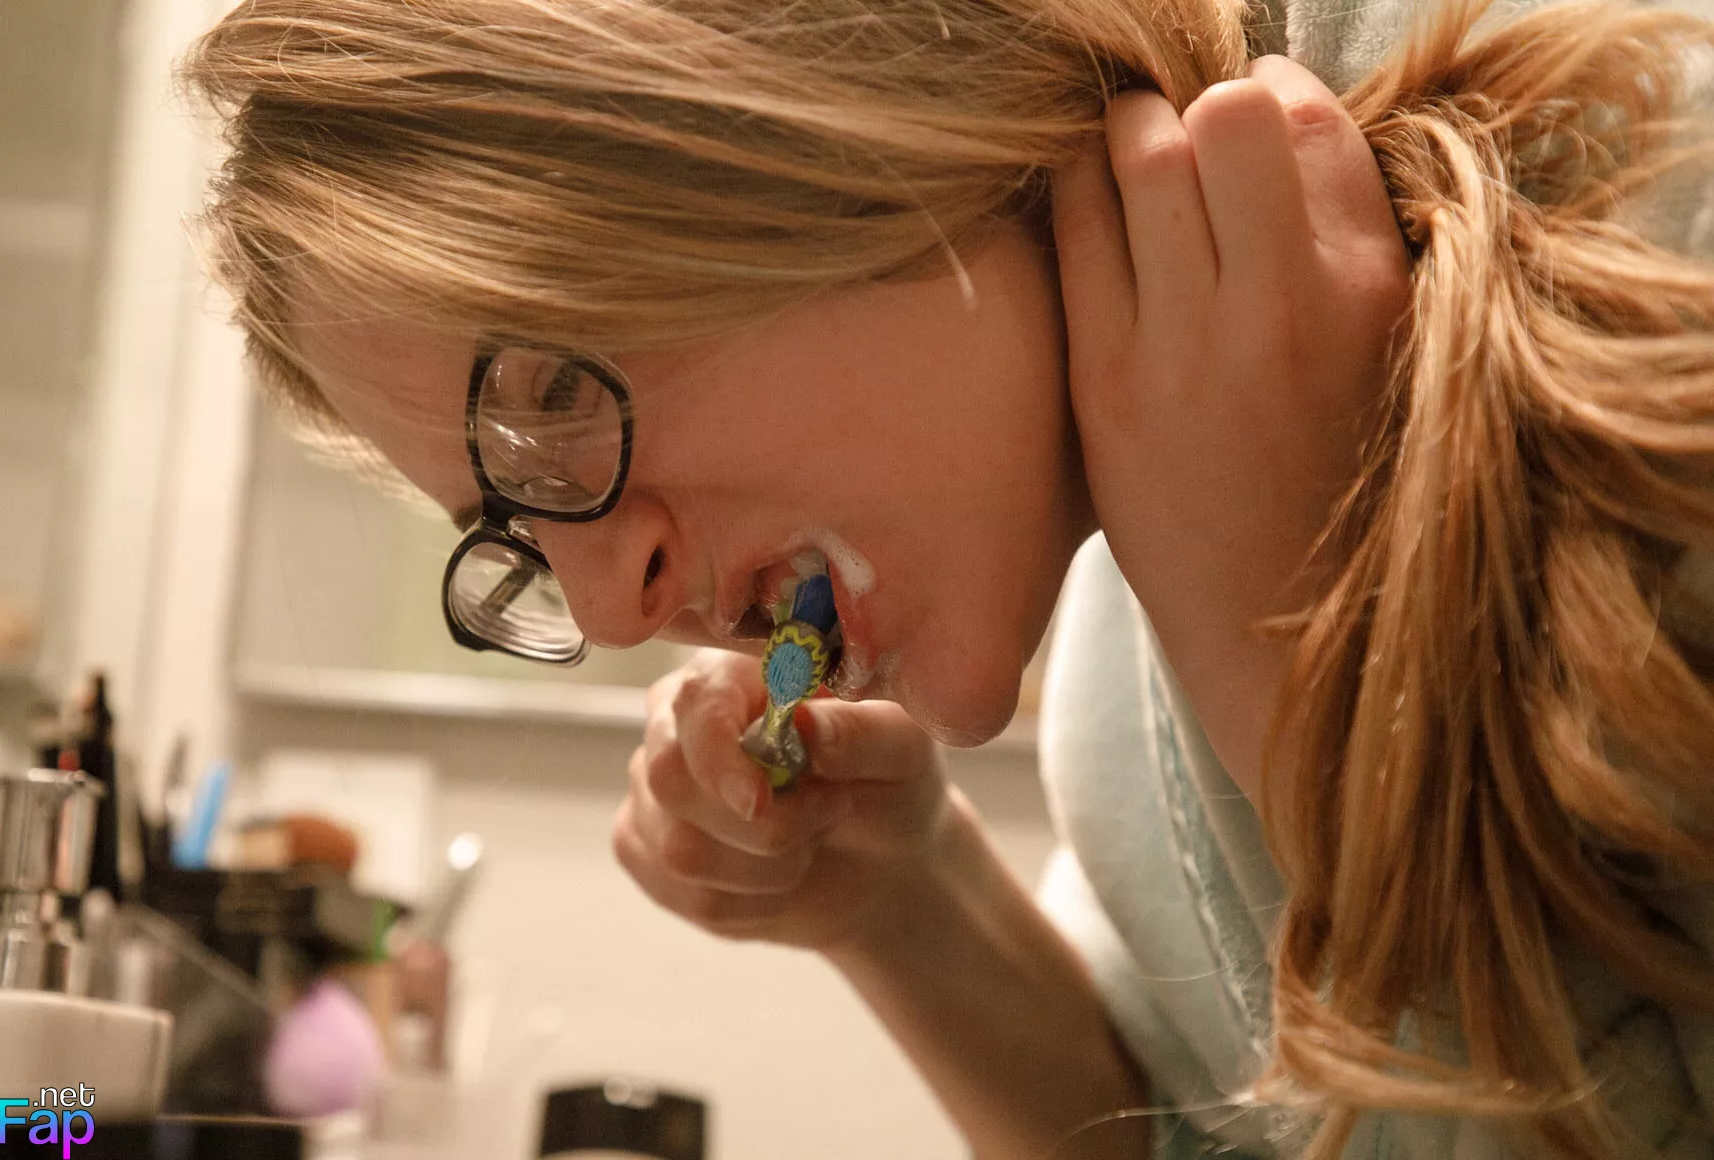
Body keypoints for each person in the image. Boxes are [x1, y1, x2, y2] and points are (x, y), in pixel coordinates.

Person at [181, 0, 1714, 1154]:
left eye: (557, 398)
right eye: (512, 538)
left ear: (802, 87)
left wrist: (1312, 669)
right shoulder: (1115, 660)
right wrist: (910, 911)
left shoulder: (1653, 199)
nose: (607, 611)